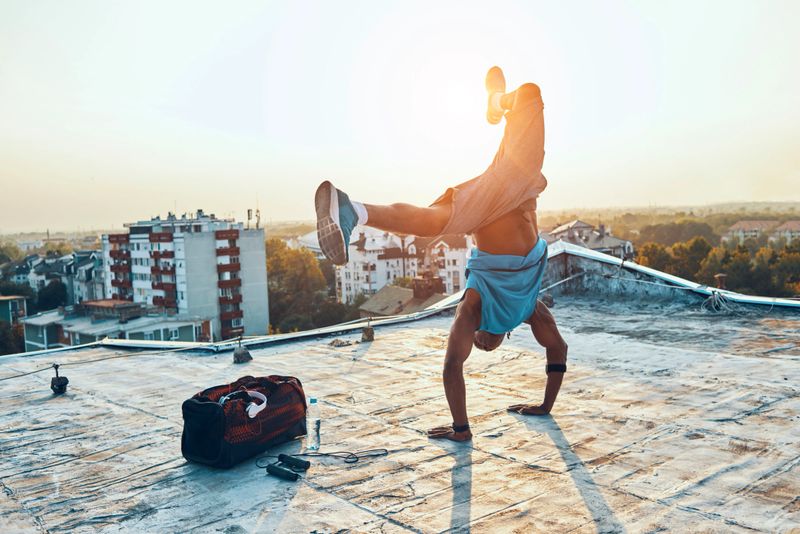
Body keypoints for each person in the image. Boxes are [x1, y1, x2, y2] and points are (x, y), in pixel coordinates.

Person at [314, 67, 568, 442]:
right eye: (484, 345)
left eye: (477, 344)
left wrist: (461, 429)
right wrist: (546, 406)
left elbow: (452, 366)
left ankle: (353, 210)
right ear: (503, 339)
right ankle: (498, 102)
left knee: (432, 221)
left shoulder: (475, 308)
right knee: (530, 92)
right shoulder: (527, 309)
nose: (481, 344)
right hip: (520, 190)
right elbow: (558, 348)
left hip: (493, 201)